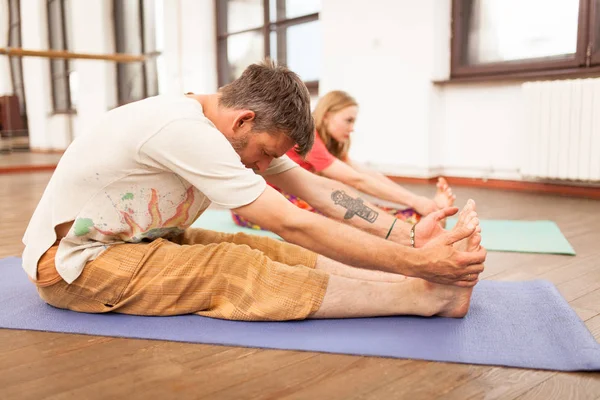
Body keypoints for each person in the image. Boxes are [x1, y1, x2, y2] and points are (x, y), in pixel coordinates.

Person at [23, 60, 486, 322]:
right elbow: (292, 219)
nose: (265, 166)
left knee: (256, 246)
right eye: (265, 153)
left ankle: (407, 281)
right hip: (73, 265)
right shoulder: (181, 128)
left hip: (140, 240)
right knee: (233, 266)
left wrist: (407, 237)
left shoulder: (237, 132)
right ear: (244, 119)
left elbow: (320, 191)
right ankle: (424, 296)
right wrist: (424, 264)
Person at [232, 90, 455, 231]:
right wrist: (417, 202)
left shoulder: (327, 142)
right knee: (344, 215)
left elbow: (366, 175)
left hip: (290, 199)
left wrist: (416, 199)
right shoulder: (307, 139)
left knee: (357, 209)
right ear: (327, 115)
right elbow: (357, 182)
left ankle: (425, 218)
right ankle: (424, 219)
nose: (352, 127)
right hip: (260, 208)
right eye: (348, 120)